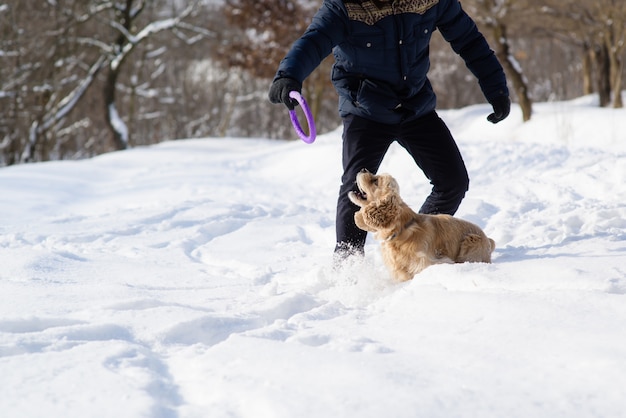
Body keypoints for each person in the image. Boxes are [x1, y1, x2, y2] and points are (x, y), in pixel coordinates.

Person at [269, 0, 510, 261]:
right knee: (356, 189)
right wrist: (288, 76)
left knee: (452, 182)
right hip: (366, 109)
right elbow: (313, 42)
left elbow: (469, 40)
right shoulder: (346, 6)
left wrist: (495, 87)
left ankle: (417, 245)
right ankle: (348, 267)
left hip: (415, 106)